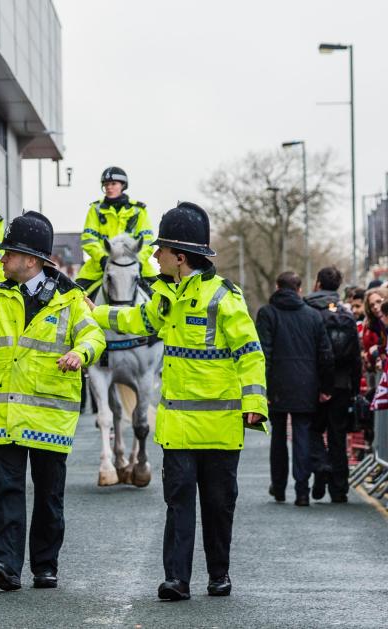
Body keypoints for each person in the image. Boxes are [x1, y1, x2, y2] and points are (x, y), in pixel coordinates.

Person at [90, 201, 268, 601]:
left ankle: (218, 575)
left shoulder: (225, 298)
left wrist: (255, 403)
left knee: (219, 507)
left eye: (161, 250)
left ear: (180, 257)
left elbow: (250, 353)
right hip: (179, 430)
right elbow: (136, 321)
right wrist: (97, 312)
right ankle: (177, 580)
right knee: (178, 505)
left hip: (220, 430)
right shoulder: (165, 298)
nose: (154, 256)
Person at [0, 211, 105, 592]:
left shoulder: (69, 301)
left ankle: (45, 566)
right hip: (3, 415)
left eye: (8, 253)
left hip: (49, 416)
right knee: (6, 490)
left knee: (49, 495)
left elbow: (94, 337)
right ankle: (4, 563)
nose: (1, 258)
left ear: (30, 260)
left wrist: (79, 355)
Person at [255, 272, 333, 506]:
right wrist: (325, 387)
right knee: (302, 436)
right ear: (299, 290)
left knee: (278, 436)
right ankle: (302, 491)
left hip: (277, 384)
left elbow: (263, 353)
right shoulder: (313, 316)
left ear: (277, 287)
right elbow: (325, 354)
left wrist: (262, 388)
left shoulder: (267, 314)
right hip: (306, 384)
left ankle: (278, 487)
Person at [303, 266, 361, 504]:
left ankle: (320, 465)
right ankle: (339, 489)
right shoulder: (346, 314)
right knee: (338, 435)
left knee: (312, 430)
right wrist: (355, 388)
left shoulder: (308, 311)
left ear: (317, 283)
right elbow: (356, 355)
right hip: (342, 384)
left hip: (315, 382)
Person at [76, 166, 157, 294]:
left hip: (136, 265)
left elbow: (147, 241)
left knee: (161, 297)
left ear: (123, 185)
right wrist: (103, 258)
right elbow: (88, 240)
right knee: (75, 296)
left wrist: (138, 260)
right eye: (106, 184)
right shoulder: (95, 209)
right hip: (100, 266)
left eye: (113, 184)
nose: (109, 187)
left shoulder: (139, 210)